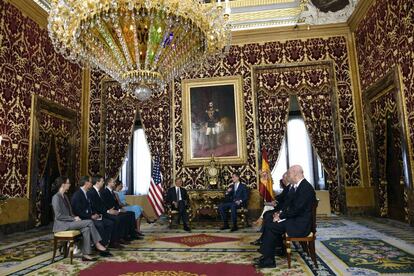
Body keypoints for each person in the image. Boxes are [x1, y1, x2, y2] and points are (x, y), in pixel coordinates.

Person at [254, 165, 316, 268]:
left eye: (289, 173)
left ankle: (269, 260)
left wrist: (280, 216)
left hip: (300, 225)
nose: (288, 176)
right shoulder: (300, 186)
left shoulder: (305, 188)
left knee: (271, 225)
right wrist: (279, 214)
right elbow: (291, 206)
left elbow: (297, 209)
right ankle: (268, 255)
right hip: (296, 220)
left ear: (295, 174)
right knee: (270, 221)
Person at [51, 176, 110, 261]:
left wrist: (75, 217)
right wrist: (73, 219)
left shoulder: (65, 196)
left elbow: (70, 212)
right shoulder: (56, 197)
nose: (70, 185)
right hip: (61, 225)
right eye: (68, 183)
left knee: (86, 229)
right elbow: (58, 216)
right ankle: (97, 244)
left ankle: (85, 254)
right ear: (63, 184)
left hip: (68, 223)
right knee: (89, 222)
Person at [71, 176, 114, 250]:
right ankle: (100, 246)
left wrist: (95, 214)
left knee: (109, 223)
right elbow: (77, 211)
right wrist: (90, 216)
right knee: (100, 225)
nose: (92, 183)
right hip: (83, 219)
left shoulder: (86, 193)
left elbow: (90, 207)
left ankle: (104, 244)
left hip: (90, 216)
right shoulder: (77, 194)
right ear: (86, 183)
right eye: (90, 182)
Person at [251, 172, 292, 246]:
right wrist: (275, 201)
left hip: (284, 211)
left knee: (268, 214)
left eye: (283, 178)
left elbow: (286, 202)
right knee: (267, 212)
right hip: (281, 208)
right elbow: (280, 197)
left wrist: (278, 209)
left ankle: (267, 239)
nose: (282, 180)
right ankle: (264, 237)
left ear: (287, 178)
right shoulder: (288, 187)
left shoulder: (290, 187)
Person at [88, 175, 129, 248]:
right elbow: (95, 206)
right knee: (115, 220)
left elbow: (102, 204)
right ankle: (110, 242)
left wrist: (108, 210)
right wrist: (108, 211)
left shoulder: (98, 191)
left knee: (118, 218)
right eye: (102, 181)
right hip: (98, 214)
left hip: (102, 212)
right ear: (97, 182)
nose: (103, 183)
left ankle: (112, 241)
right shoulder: (92, 192)